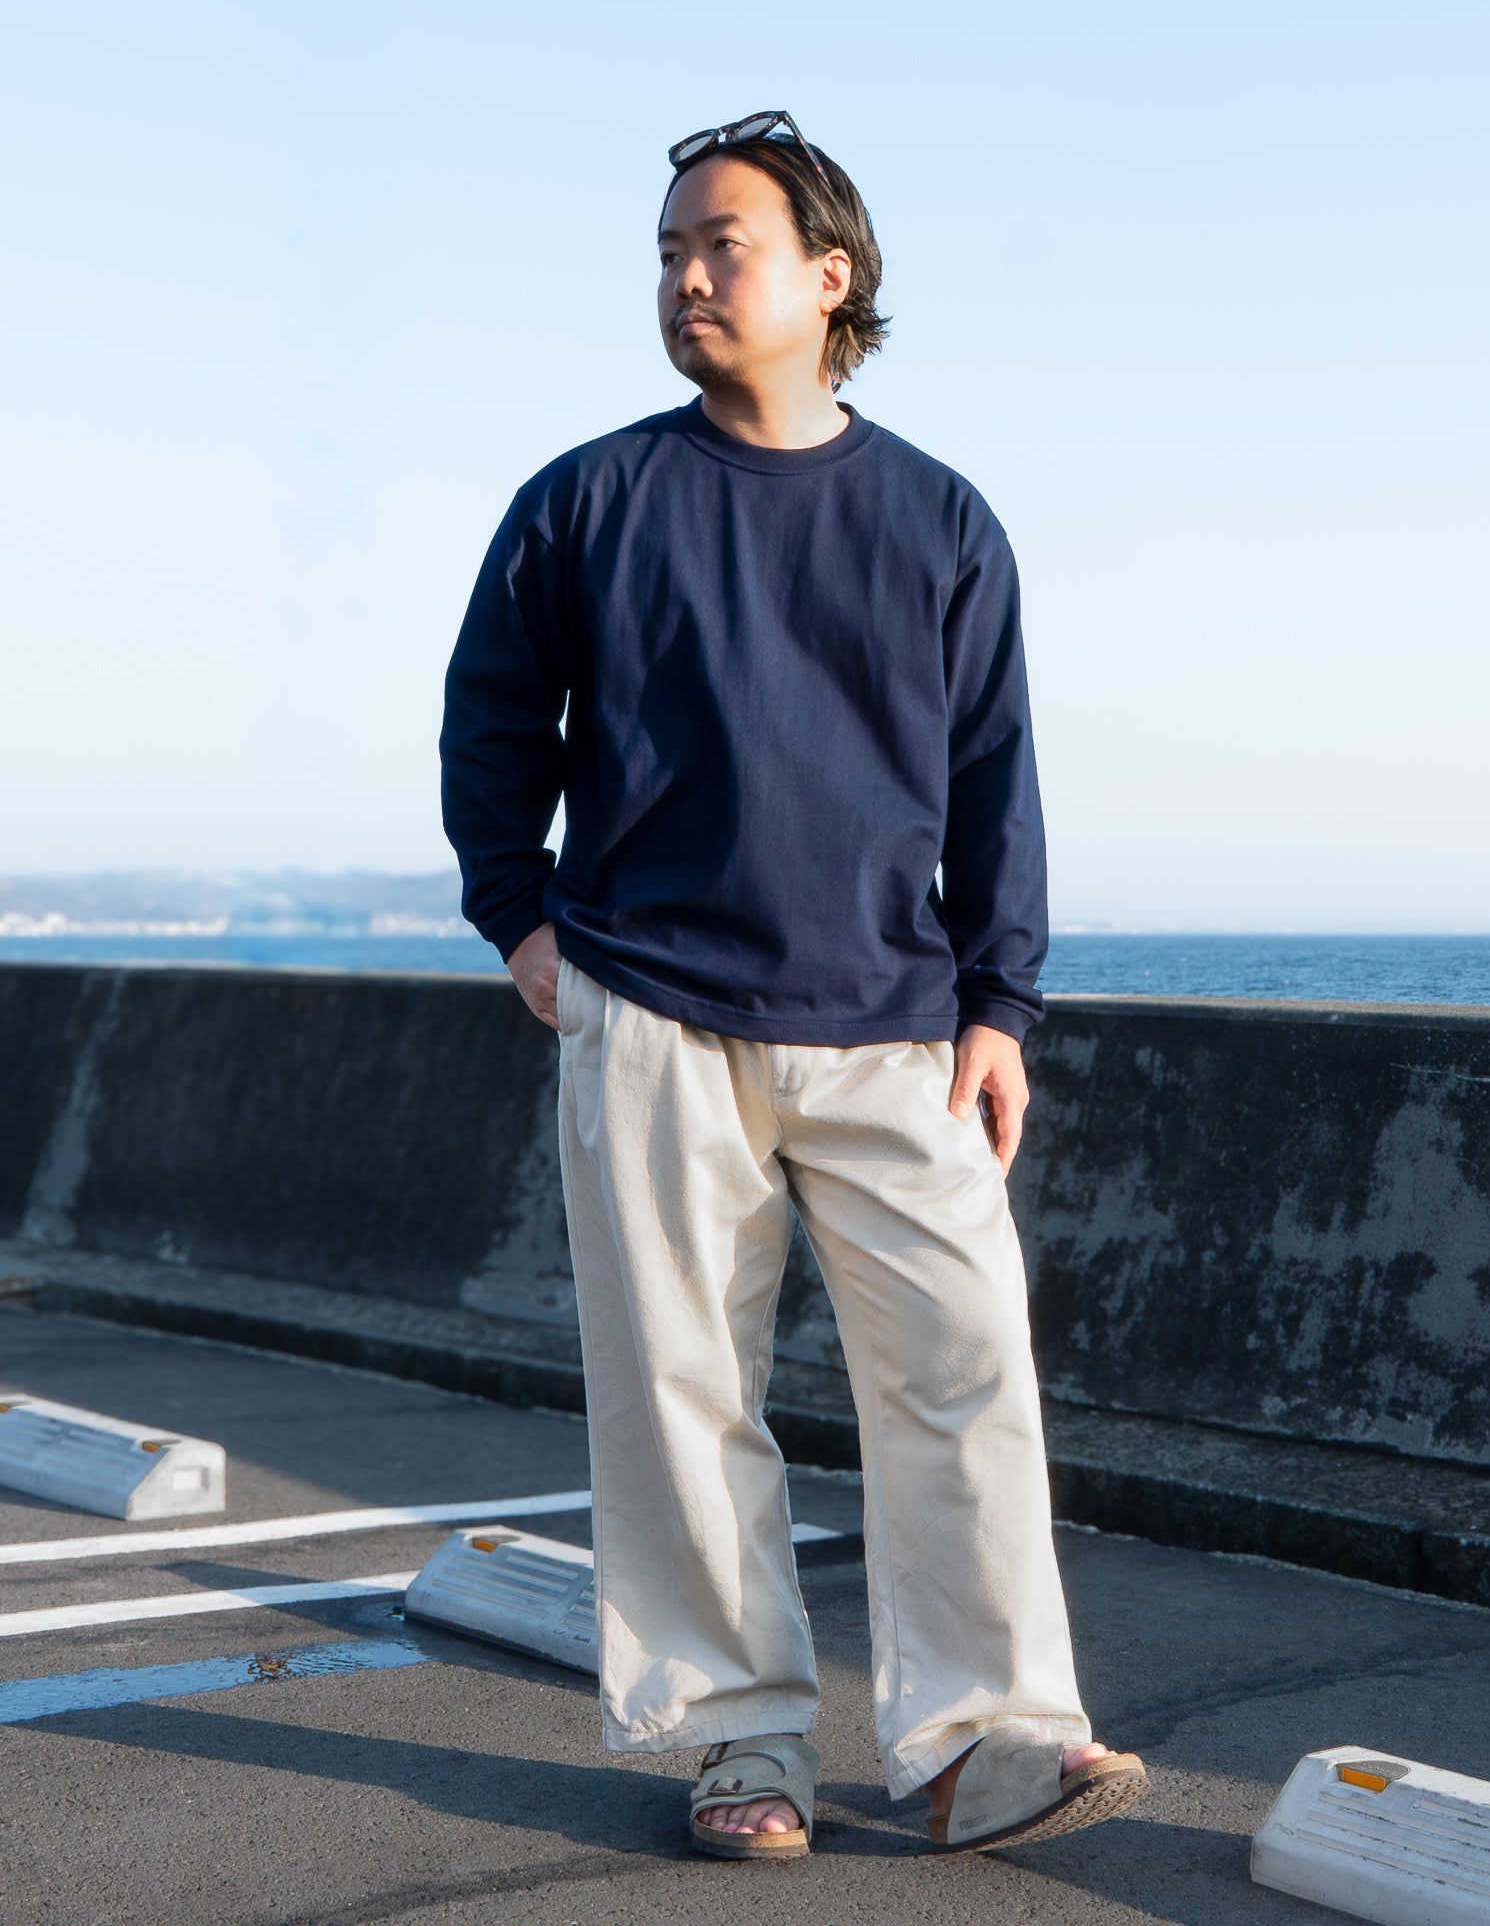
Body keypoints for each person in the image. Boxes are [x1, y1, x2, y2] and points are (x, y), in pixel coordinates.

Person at [440, 110, 1145, 1860]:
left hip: (896, 1024)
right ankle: (741, 1743)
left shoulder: (940, 518)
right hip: (649, 1008)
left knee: (966, 1369)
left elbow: (994, 777)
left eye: (721, 245)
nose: (686, 278)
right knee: (680, 1396)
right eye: (668, 252)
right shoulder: (588, 501)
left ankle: (984, 1741)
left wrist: (1003, 1005)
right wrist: (520, 919)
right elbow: (490, 724)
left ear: (830, 279)